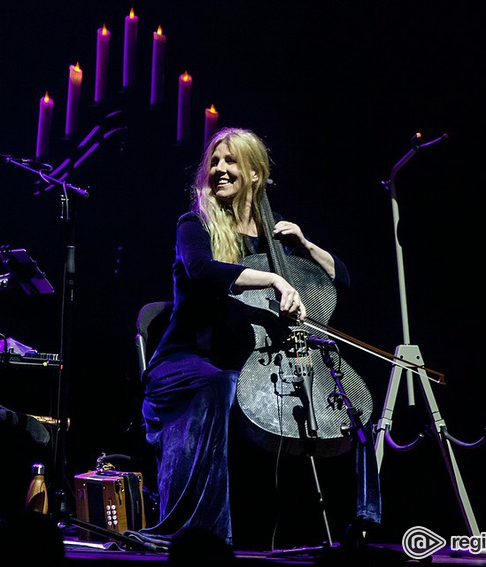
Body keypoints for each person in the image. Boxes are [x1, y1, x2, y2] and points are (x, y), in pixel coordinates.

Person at [133, 127, 350, 548]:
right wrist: (272, 278)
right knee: (222, 384)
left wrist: (304, 244)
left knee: (343, 408)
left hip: (250, 366)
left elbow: (339, 278)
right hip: (186, 363)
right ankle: (202, 535)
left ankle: (353, 528)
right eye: (214, 162)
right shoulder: (193, 225)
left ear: (255, 173)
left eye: (231, 161)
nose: (220, 169)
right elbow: (202, 271)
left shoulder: (274, 240)